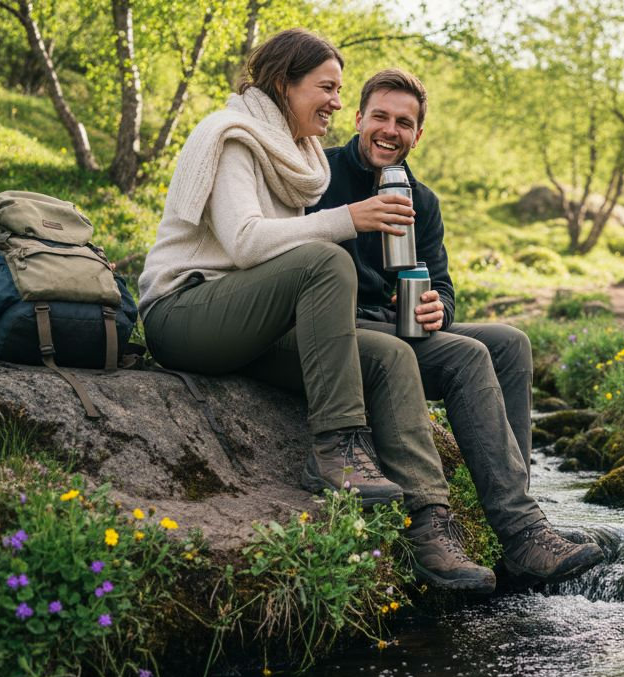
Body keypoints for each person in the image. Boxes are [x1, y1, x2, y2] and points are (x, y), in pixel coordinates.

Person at [138, 30, 500, 592]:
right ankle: (337, 448)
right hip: (186, 311)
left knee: (386, 353)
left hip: (252, 326)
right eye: (326, 88)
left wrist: (434, 306)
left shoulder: (298, 156)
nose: (335, 100)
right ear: (285, 84)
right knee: (327, 261)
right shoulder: (233, 138)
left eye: (338, 90)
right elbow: (245, 244)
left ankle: (430, 526)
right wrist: (350, 219)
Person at [309, 68, 604, 586]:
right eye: (380, 116)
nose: (389, 130)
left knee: (510, 343)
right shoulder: (319, 176)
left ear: (417, 135)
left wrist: (436, 310)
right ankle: (515, 530)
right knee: (468, 356)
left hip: (401, 328)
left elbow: (442, 285)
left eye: (404, 122)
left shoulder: (423, 201)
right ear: (357, 119)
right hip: (340, 332)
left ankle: (520, 520)